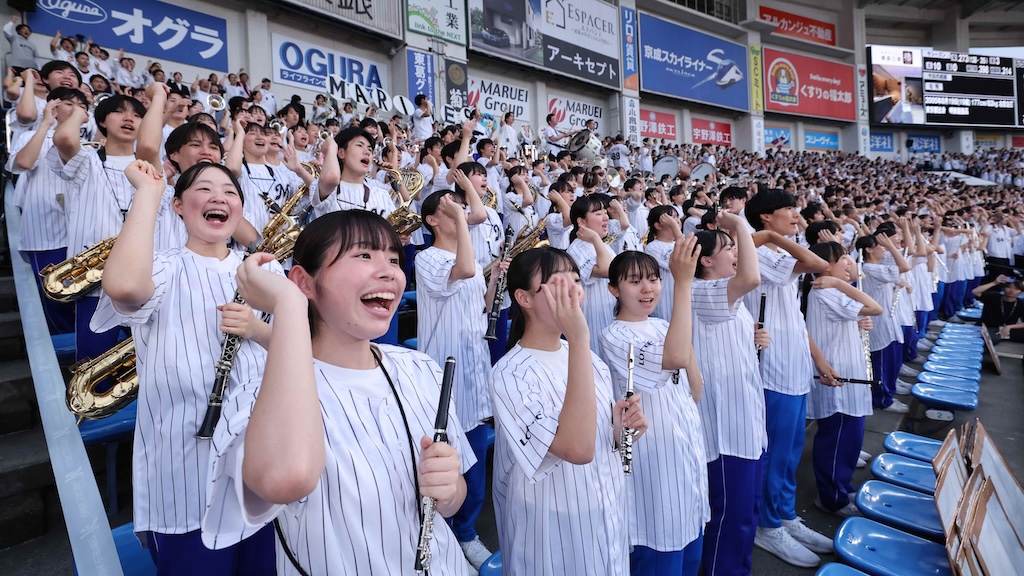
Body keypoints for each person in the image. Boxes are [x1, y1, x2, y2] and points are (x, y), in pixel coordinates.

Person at [200, 210, 475, 575]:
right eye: (363, 255)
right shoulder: (259, 396)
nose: (389, 271)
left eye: (393, 259)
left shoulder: (420, 368)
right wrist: (289, 305)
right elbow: (289, 476)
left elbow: (452, 502)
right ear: (304, 282)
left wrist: (450, 490)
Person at [94, 160, 278, 574]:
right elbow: (124, 286)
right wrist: (148, 193)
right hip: (184, 466)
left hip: (258, 459)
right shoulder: (162, 265)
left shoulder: (265, 270)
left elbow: (298, 349)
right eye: (204, 189)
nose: (219, 198)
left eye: (230, 192)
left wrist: (257, 330)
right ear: (178, 206)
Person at [490, 247, 647, 576]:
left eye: (576, 280)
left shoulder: (582, 353)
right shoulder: (510, 373)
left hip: (604, 511)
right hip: (553, 529)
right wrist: (578, 337)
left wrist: (621, 426)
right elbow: (577, 448)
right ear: (524, 298)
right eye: (558, 284)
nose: (574, 290)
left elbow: (600, 436)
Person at [599, 242, 709, 576]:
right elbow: (676, 359)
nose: (648, 289)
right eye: (635, 281)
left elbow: (696, 388)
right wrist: (685, 283)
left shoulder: (663, 326)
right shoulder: (614, 335)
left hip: (685, 450)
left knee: (690, 549)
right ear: (613, 289)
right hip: (654, 463)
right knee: (660, 551)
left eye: (654, 279)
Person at [743, 189, 834, 568]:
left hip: (794, 364)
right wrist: (778, 237)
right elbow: (820, 263)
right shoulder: (760, 252)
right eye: (789, 211)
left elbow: (795, 316)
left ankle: (784, 515)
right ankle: (766, 525)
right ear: (765, 217)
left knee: (792, 449)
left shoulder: (778, 250)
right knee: (775, 451)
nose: (797, 217)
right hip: (773, 368)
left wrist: (819, 359)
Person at [416, 186, 497, 568]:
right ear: (432, 220)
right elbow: (462, 270)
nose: (459, 212)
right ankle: (441, 536)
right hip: (445, 376)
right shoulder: (428, 257)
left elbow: (480, 305)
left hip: (474, 371)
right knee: (446, 466)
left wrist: (495, 276)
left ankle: (466, 534)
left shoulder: (470, 255)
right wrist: (465, 220)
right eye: (449, 209)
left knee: (476, 463)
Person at [690, 212, 767, 576]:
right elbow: (751, 276)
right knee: (728, 518)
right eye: (728, 248)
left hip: (747, 426)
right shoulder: (699, 290)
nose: (737, 251)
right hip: (725, 435)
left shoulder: (727, 299)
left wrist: (755, 343)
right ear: (705, 260)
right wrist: (739, 224)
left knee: (746, 513)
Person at [802, 242, 883, 518]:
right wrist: (840, 284)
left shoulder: (832, 291)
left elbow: (864, 313)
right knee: (835, 441)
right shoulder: (826, 291)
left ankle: (842, 487)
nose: (848, 264)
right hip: (837, 376)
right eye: (841, 260)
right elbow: (875, 307)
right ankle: (831, 497)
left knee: (849, 437)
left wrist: (858, 318)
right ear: (825, 268)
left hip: (848, 373)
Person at [856, 233, 912, 413]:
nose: (885, 249)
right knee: (880, 361)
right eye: (881, 246)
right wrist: (892, 245)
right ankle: (882, 399)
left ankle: (890, 389)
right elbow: (904, 266)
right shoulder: (870, 268)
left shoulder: (876, 267)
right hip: (878, 323)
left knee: (889, 359)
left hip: (887, 319)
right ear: (869, 250)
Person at [566, 195, 615, 352]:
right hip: (594, 319)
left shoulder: (603, 246)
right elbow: (607, 270)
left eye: (605, 212)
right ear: (581, 221)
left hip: (609, 314)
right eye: (598, 213)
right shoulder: (577, 248)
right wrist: (594, 237)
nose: (605, 217)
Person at [973, 275, 1024, 343]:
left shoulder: (1021, 303)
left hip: (1007, 328)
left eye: (1016, 289)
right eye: (1009, 287)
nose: (1012, 290)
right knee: (991, 338)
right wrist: (994, 283)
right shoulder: (993, 296)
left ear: (1021, 292)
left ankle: (1004, 336)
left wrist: (1009, 326)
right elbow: (975, 291)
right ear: (1003, 288)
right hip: (988, 327)